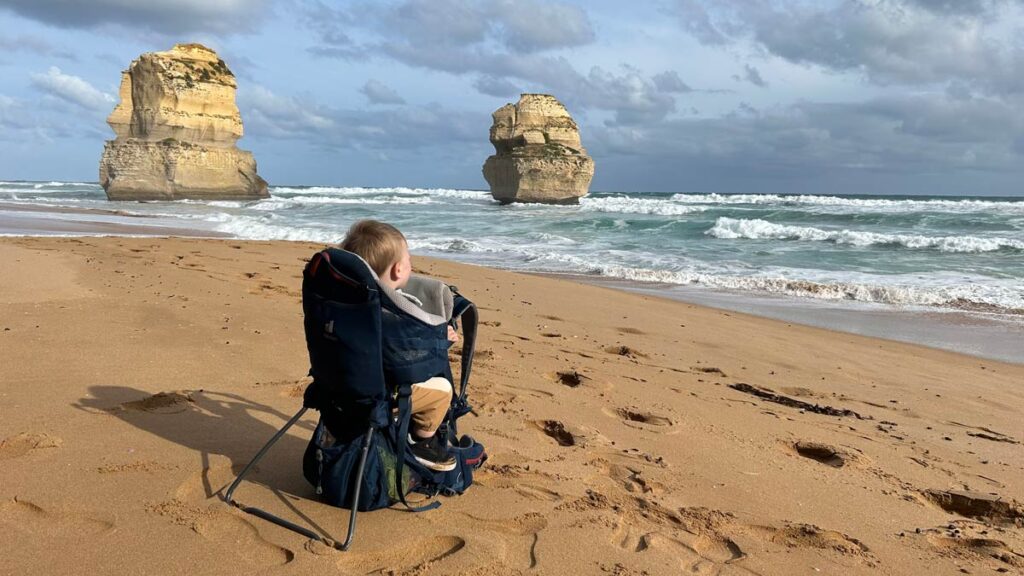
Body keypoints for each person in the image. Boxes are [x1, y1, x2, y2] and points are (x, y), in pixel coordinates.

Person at [340, 219, 457, 472]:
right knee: (443, 389)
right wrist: (441, 342)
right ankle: (422, 442)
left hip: (335, 388)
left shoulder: (344, 303)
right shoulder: (390, 314)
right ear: (397, 271)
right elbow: (409, 363)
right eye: (408, 259)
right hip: (379, 396)